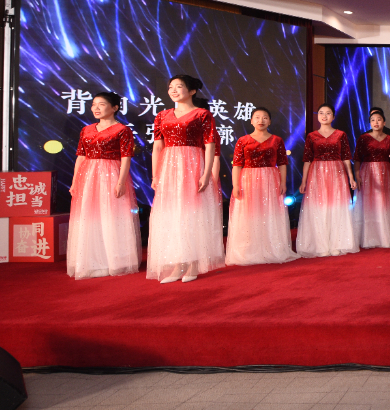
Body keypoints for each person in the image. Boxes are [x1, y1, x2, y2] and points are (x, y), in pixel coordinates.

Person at [147, 74, 225, 282]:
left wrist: (206, 173)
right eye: (171, 87)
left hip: (193, 164)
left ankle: (193, 264)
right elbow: (157, 147)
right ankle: (178, 264)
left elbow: (210, 145)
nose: (173, 90)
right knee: (173, 215)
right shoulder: (162, 116)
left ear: (192, 91)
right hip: (169, 167)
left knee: (192, 213)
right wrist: (156, 174)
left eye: (179, 86)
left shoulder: (202, 114)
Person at [66, 91, 141, 279]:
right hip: (88, 175)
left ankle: (114, 261)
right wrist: (75, 181)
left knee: (111, 214)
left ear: (114, 108)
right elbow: (80, 156)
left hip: (111, 173)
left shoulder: (122, 130)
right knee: (89, 214)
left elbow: (126, 158)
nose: (96, 108)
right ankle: (91, 260)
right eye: (93, 104)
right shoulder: (86, 130)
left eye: (101, 104)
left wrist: (121, 181)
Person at [225, 107, 299, 266]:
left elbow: (282, 163)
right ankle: (249, 250)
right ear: (251, 121)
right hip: (248, 179)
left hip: (270, 179)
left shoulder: (277, 140)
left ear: (270, 121)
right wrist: (235, 185)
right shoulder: (243, 140)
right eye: (257, 117)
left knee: (269, 212)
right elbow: (237, 165)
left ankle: (270, 248)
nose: (261, 120)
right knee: (249, 213)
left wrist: (282, 182)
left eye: (265, 117)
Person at [296, 103, 359, 258]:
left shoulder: (341, 135)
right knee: (319, 208)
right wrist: (304, 181)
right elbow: (307, 160)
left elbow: (346, 157)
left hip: (337, 172)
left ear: (333, 116)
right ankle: (320, 244)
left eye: (328, 113)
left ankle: (337, 243)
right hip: (317, 173)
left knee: (337, 207)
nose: (324, 116)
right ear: (318, 116)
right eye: (321, 113)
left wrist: (351, 177)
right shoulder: (311, 136)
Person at [352, 107, 390, 250]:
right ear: (369, 122)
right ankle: (368, 236)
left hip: (385, 172)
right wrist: (357, 175)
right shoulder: (363, 138)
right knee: (368, 203)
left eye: (379, 120)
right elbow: (357, 158)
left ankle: (384, 235)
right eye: (373, 120)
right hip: (367, 172)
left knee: (383, 202)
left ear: (384, 122)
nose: (376, 122)